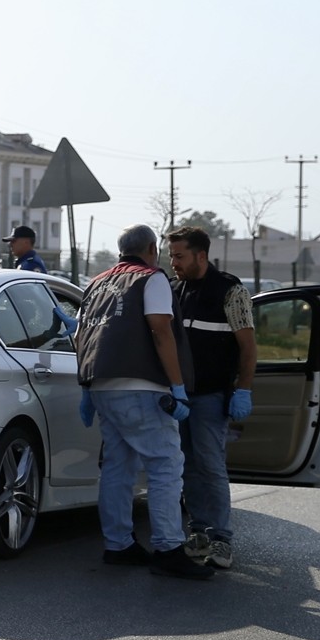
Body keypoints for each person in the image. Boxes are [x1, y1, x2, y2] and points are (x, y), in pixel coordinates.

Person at [75, 224, 211, 579]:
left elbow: (82, 334)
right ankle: (168, 547)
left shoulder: (97, 282)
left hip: (102, 385)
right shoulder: (150, 278)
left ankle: (118, 544)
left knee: (118, 467)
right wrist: (177, 385)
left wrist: (86, 388)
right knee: (166, 465)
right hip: (142, 386)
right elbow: (160, 330)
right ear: (152, 248)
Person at [167, 226, 256, 571]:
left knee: (210, 465)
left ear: (200, 256)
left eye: (179, 256)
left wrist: (243, 389)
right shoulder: (175, 291)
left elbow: (248, 348)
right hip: (181, 397)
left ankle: (221, 539)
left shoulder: (230, 291)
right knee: (186, 465)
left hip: (210, 395)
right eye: (171, 255)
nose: (173, 262)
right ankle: (198, 531)